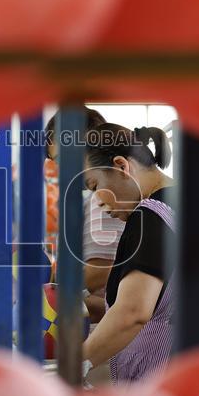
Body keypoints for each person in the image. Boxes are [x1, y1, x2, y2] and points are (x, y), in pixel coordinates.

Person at [79, 123, 199, 384]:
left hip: (167, 376)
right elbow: (166, 302)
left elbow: (133, 312)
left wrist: (73, 365)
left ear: (122, 166)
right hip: (197, 364)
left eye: (94, 185)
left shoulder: (149, 216)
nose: (98, 202)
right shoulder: (190, 204)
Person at [45, 107, 125, 322]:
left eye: (62, 159)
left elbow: (103, 270)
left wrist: (52, 292)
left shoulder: (105, 199)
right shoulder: (97, 195)